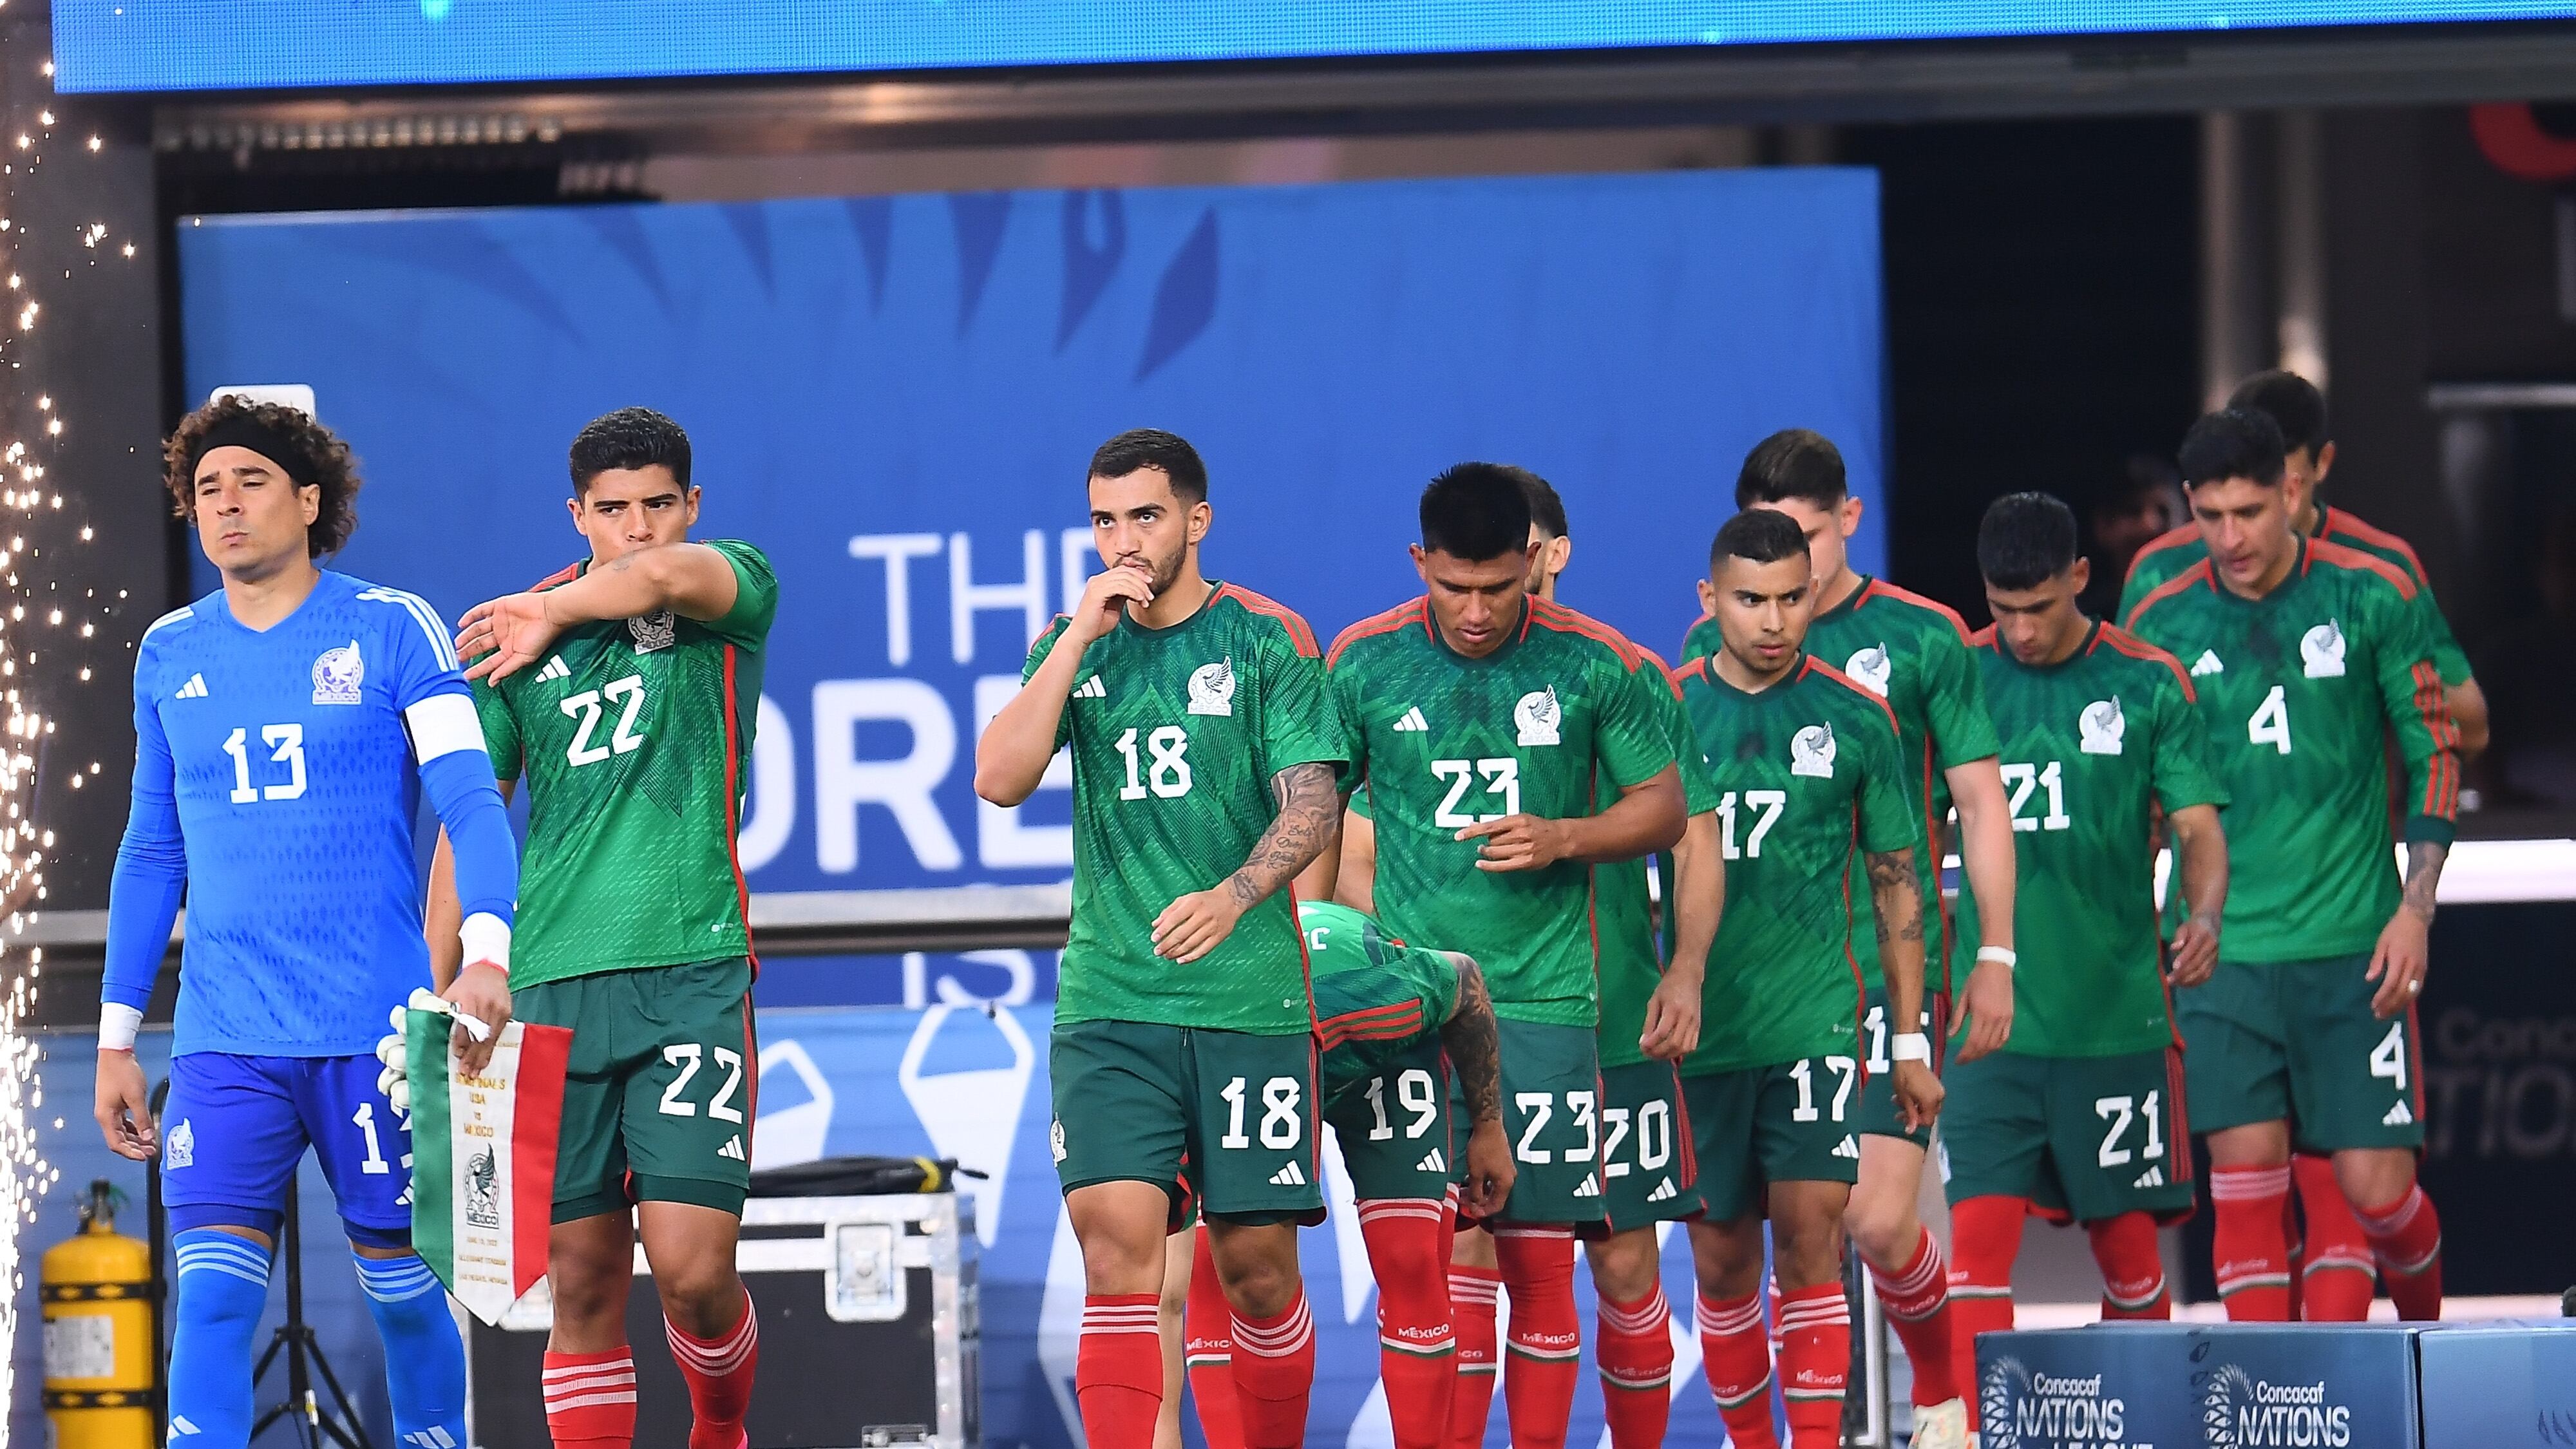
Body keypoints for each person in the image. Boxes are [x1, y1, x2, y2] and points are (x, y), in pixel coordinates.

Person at [94, 396, 518, 1449]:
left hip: (375, 1037)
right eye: (207, 489)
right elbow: (151, 850)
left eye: (252, 482)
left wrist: (486, 955)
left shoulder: (394, 626)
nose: (227, 505)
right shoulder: (168, 652)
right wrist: (115, 1038)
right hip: (225, 1040)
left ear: (311, 499)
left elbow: (472, 802)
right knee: (211, 1300)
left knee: (407, 1299)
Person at [976, 428, 1346, 1449]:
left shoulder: (1266, 635)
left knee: (1258, 1271)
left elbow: (1314, 804)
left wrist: (1235, 894)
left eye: (1145, 515)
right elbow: (997, 778)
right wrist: (1073, 643)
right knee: (1116, 1262)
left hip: (1249, 1003)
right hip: (1112, 1002)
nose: (1124, 540)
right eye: (1104, 520)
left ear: (1197, 518)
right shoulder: (1073, 639)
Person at [421, 408, 779, 1449]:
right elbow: (468, 827)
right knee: (578, 1284)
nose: (638, 527)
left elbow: (660, 577)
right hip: (547, 988)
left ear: (693, 506)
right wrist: (435, 992)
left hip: (691, 971)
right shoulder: (513, 644)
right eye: (613, 509)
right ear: (576, 513)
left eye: (659, 504)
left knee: (694, 1271)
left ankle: (721, 1427)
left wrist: (553, 608)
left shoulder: (730, 586)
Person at [1327, 464, 1685, 1449]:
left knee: (1539, 1263)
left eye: (1498, 585)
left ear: (1533, 559)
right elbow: (1317, 809)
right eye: (1457, 587)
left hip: (1543, 1003)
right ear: (1421, 562)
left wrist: (1566, 836)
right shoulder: (1364, 662)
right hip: (1415, 1007)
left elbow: (1666, 807)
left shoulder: (1594, 661)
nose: (1479, 610)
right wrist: (1317, 939)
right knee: (1429, 1266)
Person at [2120, 370, 2487, 1318]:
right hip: (2222, 953)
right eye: (2210, 516)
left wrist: (2415, 910)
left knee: (2377, 1195)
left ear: (2293, 491)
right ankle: (2270, 1394)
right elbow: (2135, 787)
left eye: (2249, 511)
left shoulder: (2372, 589)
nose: (2230, 538)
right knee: (2244, 1185)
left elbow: (2437, 749)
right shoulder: (2160, 612)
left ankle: (2422, 1350)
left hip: (2351, 946)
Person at [1680, 430, 2009, 1437]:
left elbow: (1975, 808)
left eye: (1807, 549)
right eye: (1756, 588)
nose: (1784, 598)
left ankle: (1941, 1397)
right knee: (1726, 1255)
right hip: (1725, 999)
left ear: (1847, 522)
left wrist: (1993, 954)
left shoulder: (1918, 644)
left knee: (1859, 1216)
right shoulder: (1683, 680)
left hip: (1859, 979)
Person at [1940, 493, 2230, 1439]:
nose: (2021, 630)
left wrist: (2203, 911)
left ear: (2078, 577)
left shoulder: (2148, 682)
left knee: (2131, 1259)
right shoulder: (1957, 676)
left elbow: (2198, 828)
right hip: (1990, 1028)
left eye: (2038, 607)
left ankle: (2136, 1426)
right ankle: (1977, 1432)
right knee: (1974, 1252)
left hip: (2115, 1022)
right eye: (2002, 609)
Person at [1516, 468, 1721, 1449]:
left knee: (1626, 1264)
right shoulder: (1420, 672)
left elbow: (1695, 835)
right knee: (1483, 1262)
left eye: (1520, 549)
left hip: (1616, 1014)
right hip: (1487, 1023)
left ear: (1556, 552)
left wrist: (1684, 970)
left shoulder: (1624, 671)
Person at [1179, 900, 1517, 1449]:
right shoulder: (1197, 1024)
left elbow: (1465, 979)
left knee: (1412, 1259)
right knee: (1217, 1265)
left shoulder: (1381, 999)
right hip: (1243, 1041)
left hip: (1380, 1051)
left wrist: (1489, 1127)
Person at [2080, 453, 2186, 620]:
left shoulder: (2215, 610)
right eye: (2133, 511)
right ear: (2104, 526)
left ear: (2189, 521)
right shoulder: (2083, 623)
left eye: (2164, 512)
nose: (2150, 526)